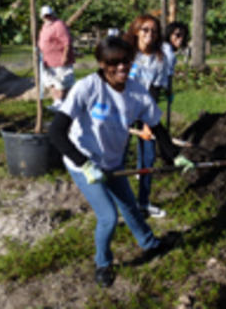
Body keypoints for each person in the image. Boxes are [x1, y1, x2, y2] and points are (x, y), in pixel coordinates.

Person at [48, 36, 194, 287]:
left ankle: (150, 244)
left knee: (130, 206)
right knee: (108, 217)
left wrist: (175, 155)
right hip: (83, 163)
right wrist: (83, 163)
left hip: (113, 161)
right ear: (102, 64)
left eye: (126, 62)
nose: (121, 68)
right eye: (113, 64)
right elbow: (55, 132)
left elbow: (157, 126)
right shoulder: (88, 87)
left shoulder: (136, 90)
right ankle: (103, 263)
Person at [124, 15, 168, 219]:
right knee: (118, 159)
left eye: (153, 30)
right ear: (136, 31)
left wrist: (149, 123)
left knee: (148, 158)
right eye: (145, 29)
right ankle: (122, 204)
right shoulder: (127, 55)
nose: (149, 34)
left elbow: (155, 91)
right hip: (121, 111)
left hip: (144, 111)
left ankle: (143, 202)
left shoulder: (160, 59)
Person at [37, 5, 75, 110]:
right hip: (47, 60)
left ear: (52, 14)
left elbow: (66, 42)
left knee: (62, 82)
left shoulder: (59, 25)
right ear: (42, 17)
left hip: (60, 59)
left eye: (49, 15)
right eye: (45, 16)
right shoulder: (45, 26)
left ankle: (63, 102)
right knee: (50, 81)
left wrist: (65, 56)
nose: (47, 17)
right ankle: (57, 102)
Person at [161, 22, 189, 130]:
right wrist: (169, 90)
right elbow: (168, 75)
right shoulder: (168, 53)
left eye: (183, 36)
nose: (180, 39)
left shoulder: (165, 49)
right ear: (169, 35)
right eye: (177, 35)